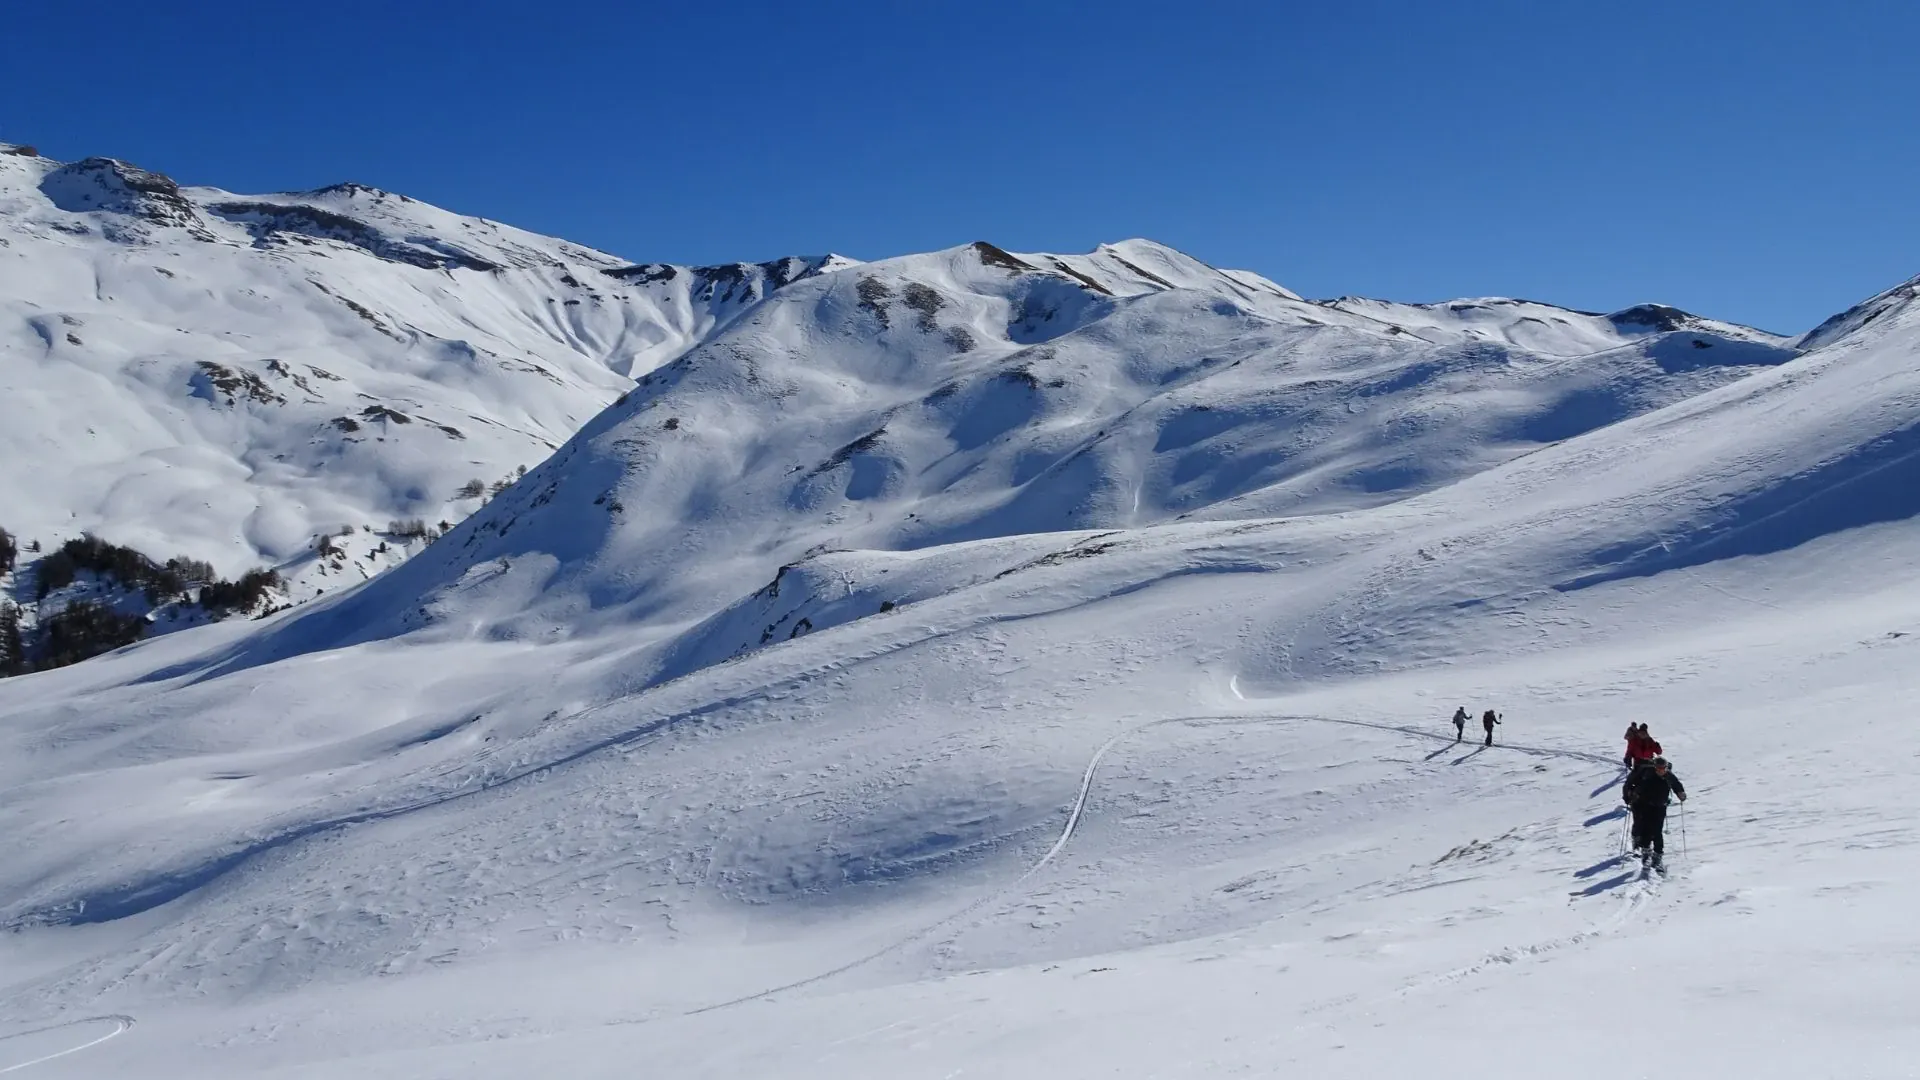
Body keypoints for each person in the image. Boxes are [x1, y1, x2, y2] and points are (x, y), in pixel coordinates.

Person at [1622, 756, 1686, 870]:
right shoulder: (1646, 774)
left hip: (1660, 807)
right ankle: (1646, 854)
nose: (1661, 770)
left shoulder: (1668, 776)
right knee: (1646, 829)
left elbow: (1676, 784)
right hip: (1645, 805)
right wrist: (1629, 796)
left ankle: (1657, 856)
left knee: (1657, 831)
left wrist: (1681, 793)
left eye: (1663, 768)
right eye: (1659, 768)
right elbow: (1630, 784)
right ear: (1655, 767)